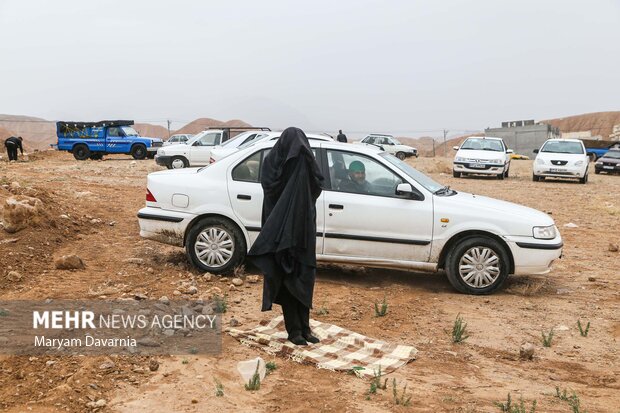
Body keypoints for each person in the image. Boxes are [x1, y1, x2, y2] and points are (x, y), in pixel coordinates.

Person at [248, 127, 324, 346]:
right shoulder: (274, 164)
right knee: (288, 280)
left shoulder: (304, 163)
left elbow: (317, 185)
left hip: (304, 232)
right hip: (281, 234)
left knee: (305, 278)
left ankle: (306, 328)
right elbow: (271, 189)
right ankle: (294, 331)